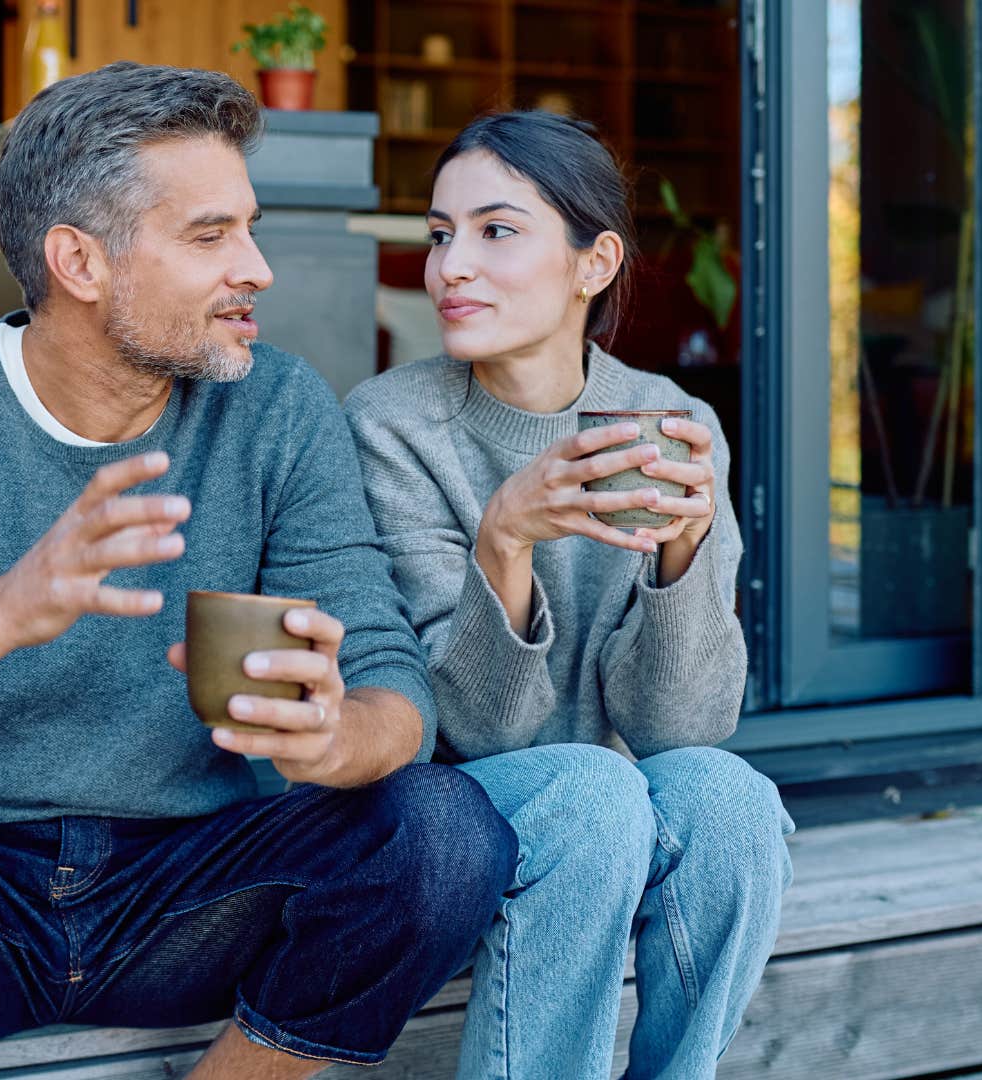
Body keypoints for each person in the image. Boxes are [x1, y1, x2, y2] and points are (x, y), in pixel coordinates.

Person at [0, 63, 516, 1080]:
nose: (256, 267)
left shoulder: (277, 409)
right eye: (210, 237)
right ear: (78, 260)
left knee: (443, 828)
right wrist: (2, 612)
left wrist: (339, 735)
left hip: (193, 901)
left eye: (247, 228)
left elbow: (392, 682)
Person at [342, 111, 795, 1080]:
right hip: (444, 826)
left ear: (593, 264)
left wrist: (685, 553)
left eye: (496, 231)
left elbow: (686, 725)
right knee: (592, 791)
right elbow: (468, 729)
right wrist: (504, 537)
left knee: (731, 800)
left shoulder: (673, 428)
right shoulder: (392, 427)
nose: (451, 266)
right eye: (439, 233)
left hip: (612, 814)